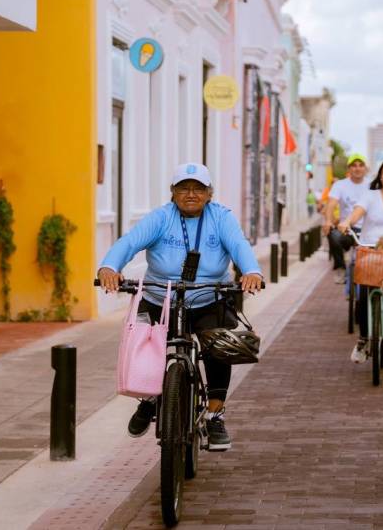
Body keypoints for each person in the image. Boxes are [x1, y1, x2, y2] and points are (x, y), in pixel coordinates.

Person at [97, 163, 263, 451]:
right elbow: (130, 242)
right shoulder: (161, 217)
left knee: (219, 348)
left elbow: (239, 245)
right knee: (144, 347)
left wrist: (252, 271)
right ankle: (149, 398)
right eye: (183, 188)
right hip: (161, 296)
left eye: (198, 188)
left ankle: (214, 413)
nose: (190, 194)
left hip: (208, 295)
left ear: (209, 194)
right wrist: (109, 267)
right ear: (172, 193)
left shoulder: (221, 217)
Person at [338, 158, 383, 362]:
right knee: (363, 298)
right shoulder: (370, 196)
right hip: (370, 249)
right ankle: (363, 340)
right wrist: (346, 222)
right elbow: (356, 214)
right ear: (380, 176)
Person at [323, 154, 369, 282]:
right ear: (349, 169)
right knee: (333, 235)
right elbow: (331, 204)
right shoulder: (340, 185)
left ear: (365, 168)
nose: (357, 168)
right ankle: (340, 268)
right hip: (347, 229)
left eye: (361, 165)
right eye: (354, 165)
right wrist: (328, 221)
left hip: (367, 230)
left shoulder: (372, 185)